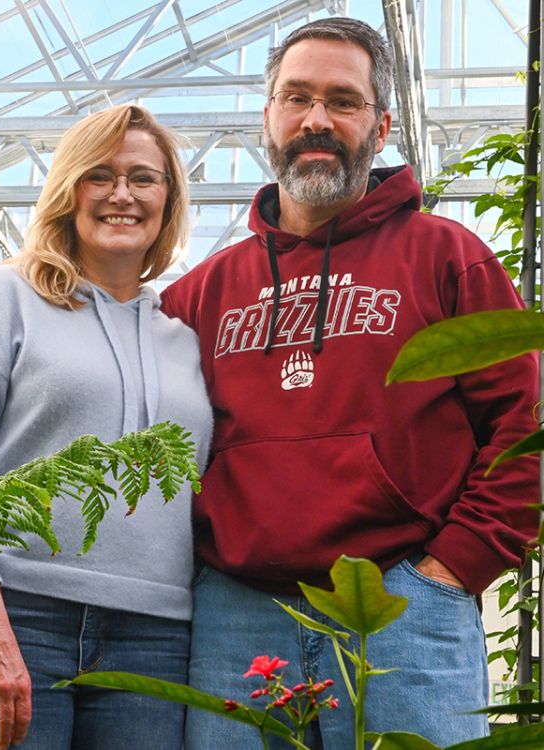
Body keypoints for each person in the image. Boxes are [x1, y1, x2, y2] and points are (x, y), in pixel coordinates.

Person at [161, 17, 539, 749]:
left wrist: (451, 570)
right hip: (234, 618)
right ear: (267, 116)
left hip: (404, 606)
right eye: (296, 98)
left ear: (382, 122)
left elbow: (524, 424)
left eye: (343, 100)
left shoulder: (446, 257)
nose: (316, 120)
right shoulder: (202, 293)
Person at [0, 104, 213, 750]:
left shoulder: (186, 339)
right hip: (9, 613)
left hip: (153, 641)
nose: (122, 194)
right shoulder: (6, 296)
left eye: (143, 178)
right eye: (100, 175)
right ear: (68, 189)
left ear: (169, 198)